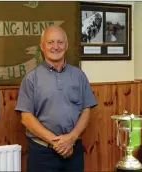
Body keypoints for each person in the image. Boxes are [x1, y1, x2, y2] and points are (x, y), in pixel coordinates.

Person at [15, 26, 97, 172]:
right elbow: (26, 118)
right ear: (42, 46)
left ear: (66, 45)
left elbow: (86, 110)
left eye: (60, 42)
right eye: (50, 42)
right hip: (42, 154)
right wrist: (57, 143)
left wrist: (71, 139)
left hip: (74, 151)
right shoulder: (31, 79)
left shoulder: (79, 76)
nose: (55, 47)